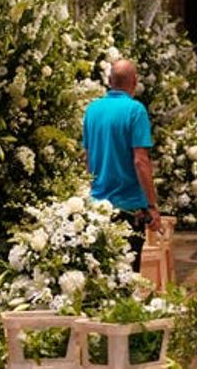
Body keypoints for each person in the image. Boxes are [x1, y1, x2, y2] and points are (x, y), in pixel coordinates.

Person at [83, 59, 160, 272]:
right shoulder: (135, 111)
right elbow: (140, 160)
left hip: (97, 204)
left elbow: (87, 158)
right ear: (134, 82)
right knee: (128, 273)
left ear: (109, 81)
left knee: (104, 272)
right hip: (128, 204)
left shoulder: (92, 110)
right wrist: (152, 205)